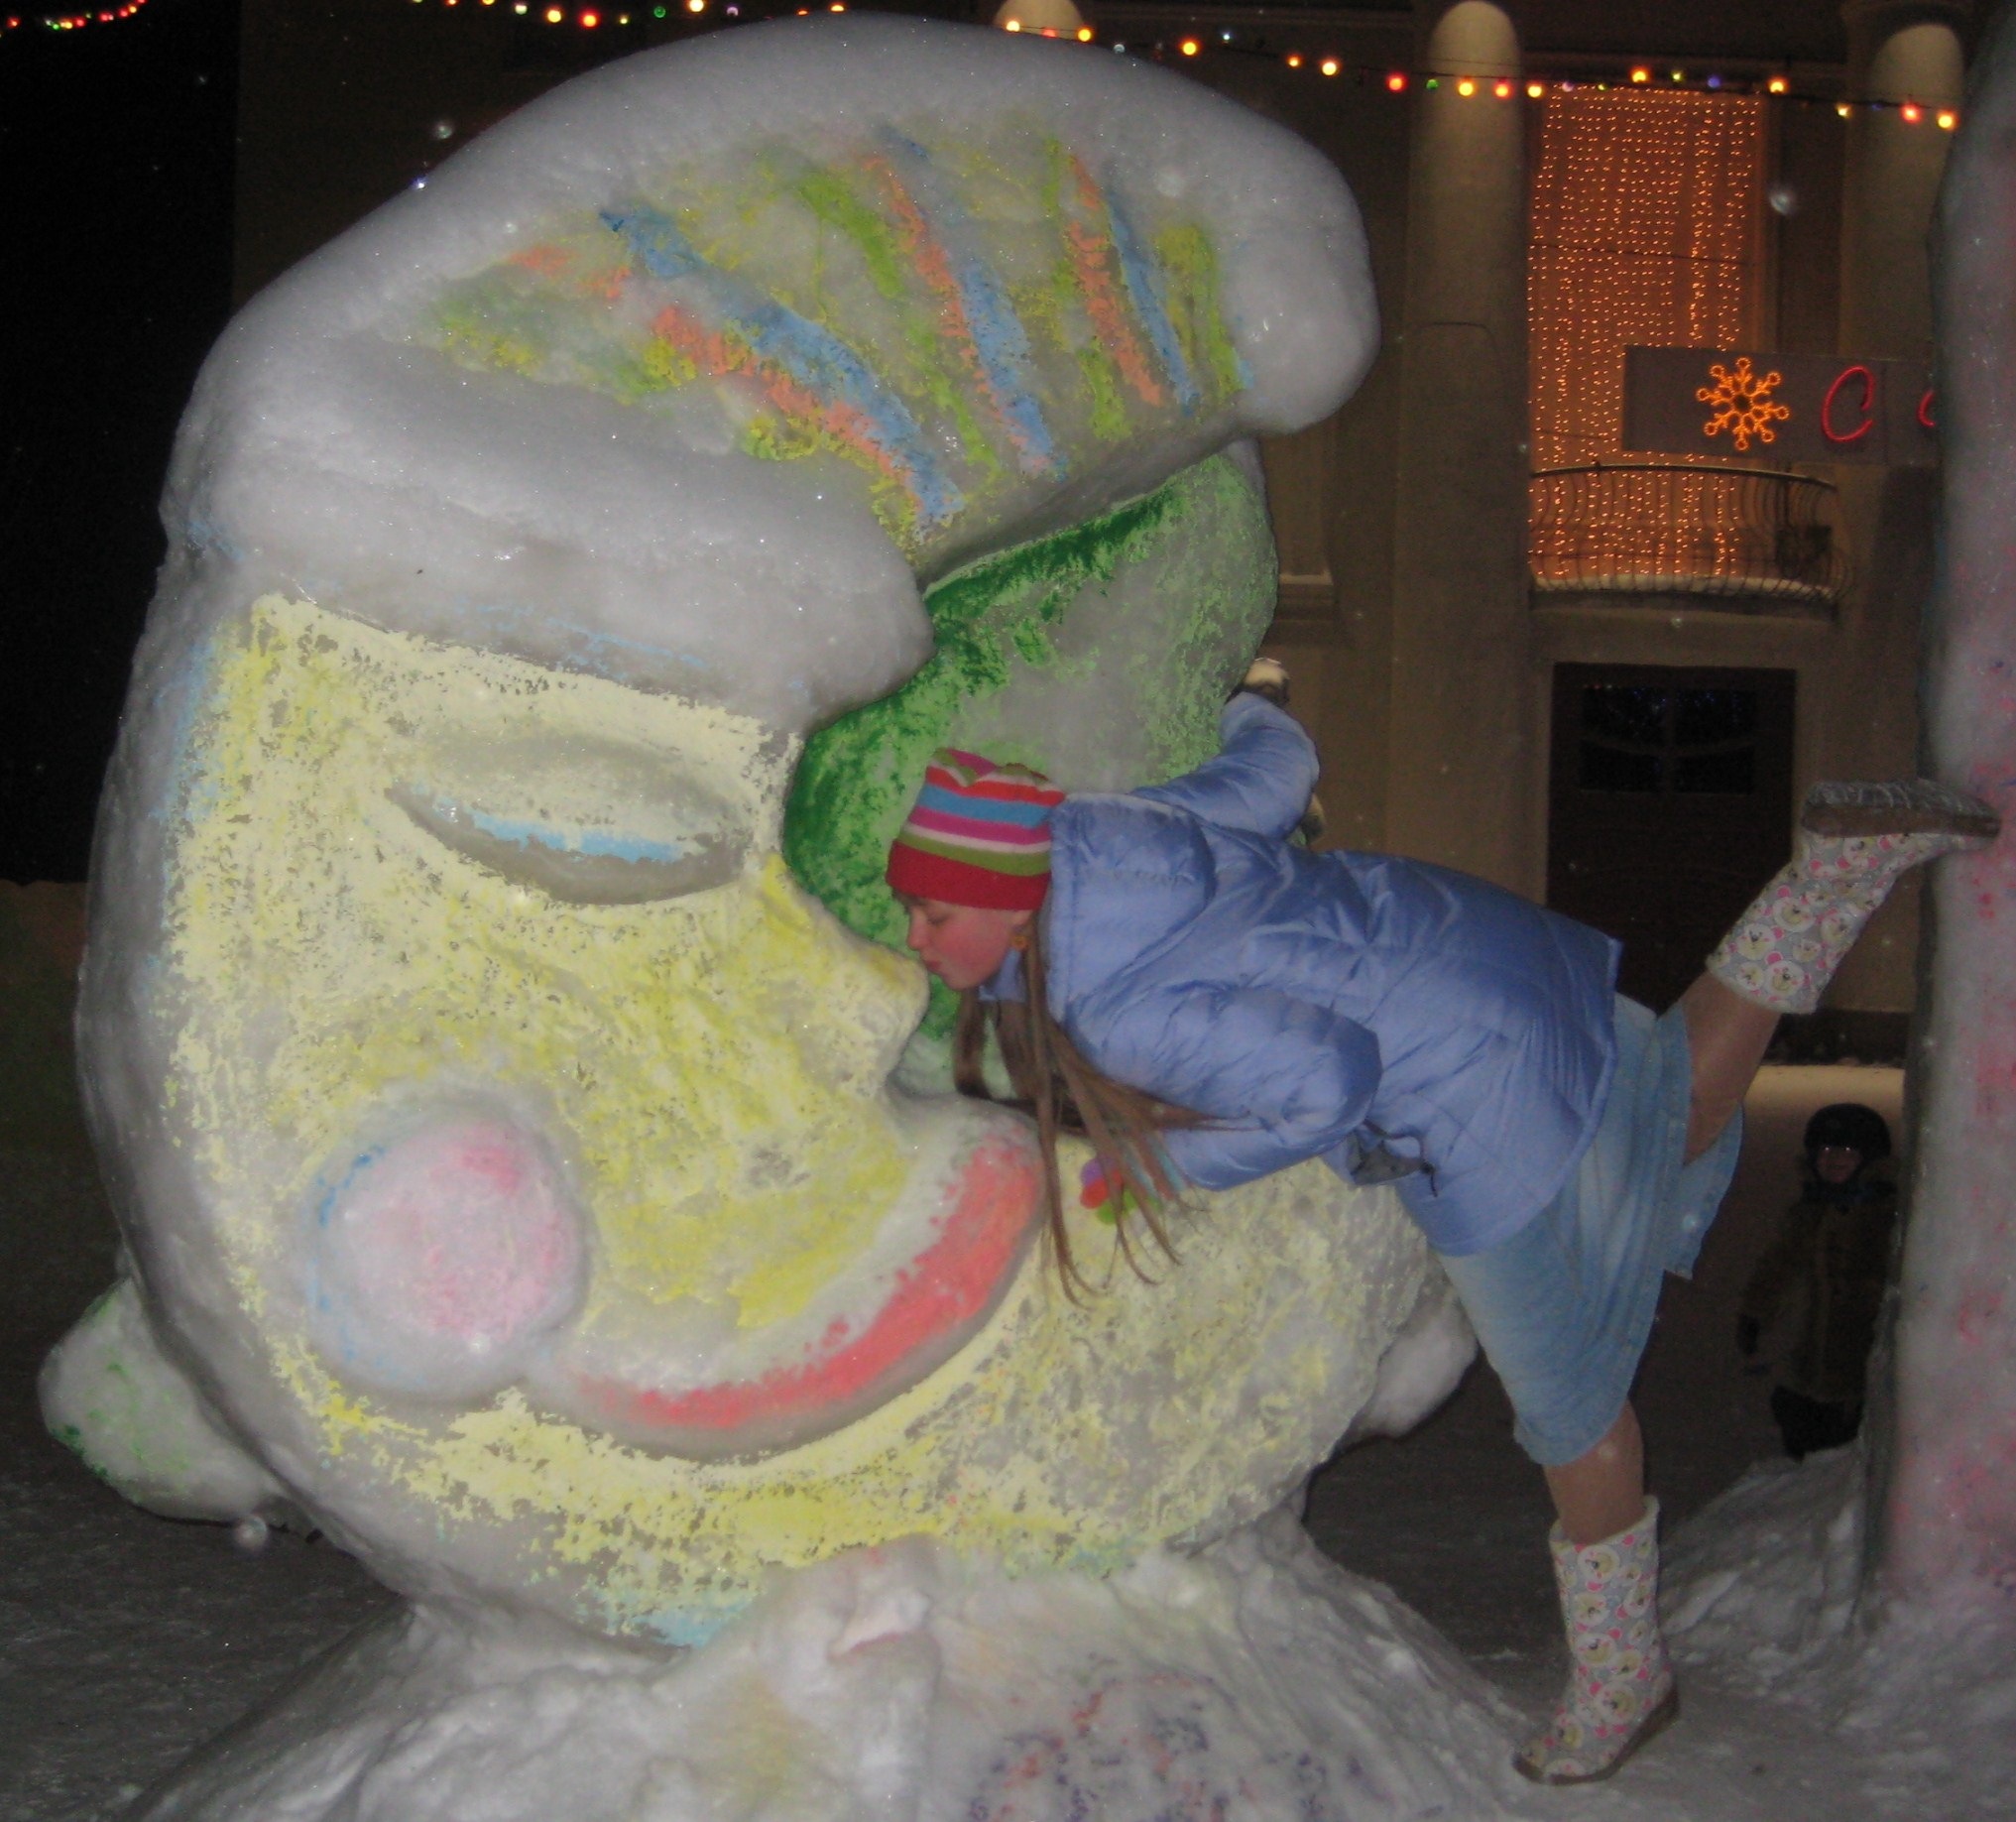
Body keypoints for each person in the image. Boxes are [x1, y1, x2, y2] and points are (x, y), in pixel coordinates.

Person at [884, 663, 1998, 1786]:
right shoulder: (1117, 833)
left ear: (1010, 903)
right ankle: (1833, 870)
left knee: (1568, 1401)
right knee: (1671, 1097)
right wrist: (1245, 697)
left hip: (1461, 1087)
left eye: (934, 912)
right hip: (1474, 951)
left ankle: (1623, 1680)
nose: (918, 937)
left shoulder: (1118, 1007)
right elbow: (1274, 769)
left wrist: (1160, 1163)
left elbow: (1326, 1085)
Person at [1738, 1103, 1900, 1461]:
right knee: (1805, 1414)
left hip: (1864, 1346)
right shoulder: (1809, 1212)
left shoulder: (1885, 1215)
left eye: (1848, 1151)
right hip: (1810, 1348)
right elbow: (1779, 1264)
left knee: (1850, 1423)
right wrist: (1755, 1311)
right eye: (1826, 1150)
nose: (1835, 1160)